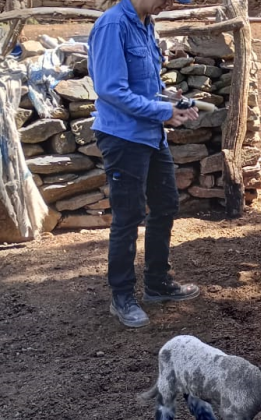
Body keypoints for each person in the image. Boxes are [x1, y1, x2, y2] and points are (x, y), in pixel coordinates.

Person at [88, 0, 201, 328]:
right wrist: (164, 112)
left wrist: (169, 98)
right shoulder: (113, 26)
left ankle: (157, 283)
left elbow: (146, 87)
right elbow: (111, 90)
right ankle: (121, 296)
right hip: (123, 137)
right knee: (128, 216)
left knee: (166, 204)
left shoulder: (146, 23)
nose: (169, 4)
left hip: (151, 136)